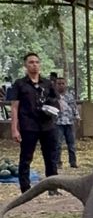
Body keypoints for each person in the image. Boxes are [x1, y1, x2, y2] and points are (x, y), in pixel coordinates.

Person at [8, 53, 60, 193]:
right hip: (28, 125)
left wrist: (52, 109)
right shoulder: (19, 84)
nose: (34, 65)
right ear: (25, 65)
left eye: (37, 62)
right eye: (31, 62)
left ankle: (52, 187)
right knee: (26, 157)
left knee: (51, 157)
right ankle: (25, 188)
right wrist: (14, 129)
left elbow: (56, 101)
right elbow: (14, 107)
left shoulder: (47, 83)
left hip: (47, 125)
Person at [56, 78, 80, 168]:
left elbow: (74, 107)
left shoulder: (70, 96)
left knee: (71, 144)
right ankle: (58, 162)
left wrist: (77, 117)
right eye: (59, 83)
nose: (61, 85)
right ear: (56, 85)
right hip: (58, 122)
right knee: (58, 144)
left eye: (63, 83)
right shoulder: (53, 96)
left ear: (65, 84)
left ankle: (73, 162)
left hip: (69, 122)